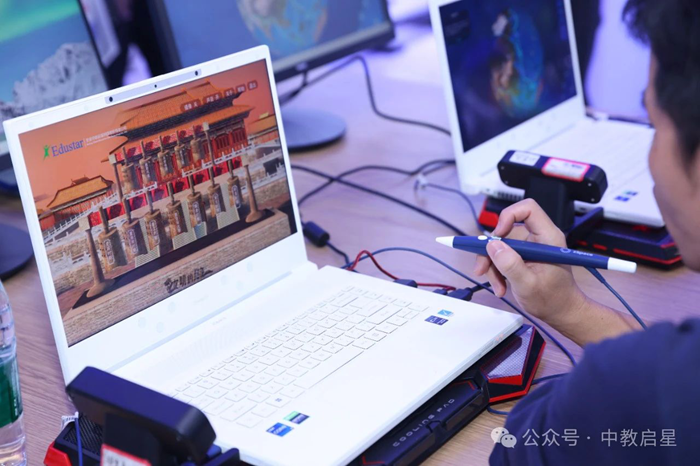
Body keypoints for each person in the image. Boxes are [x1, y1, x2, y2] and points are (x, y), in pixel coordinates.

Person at [484, 0, 700, 463]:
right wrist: (570, 309)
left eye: (652, 124)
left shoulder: (658, 387)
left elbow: (517, 449)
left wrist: (612, 375)